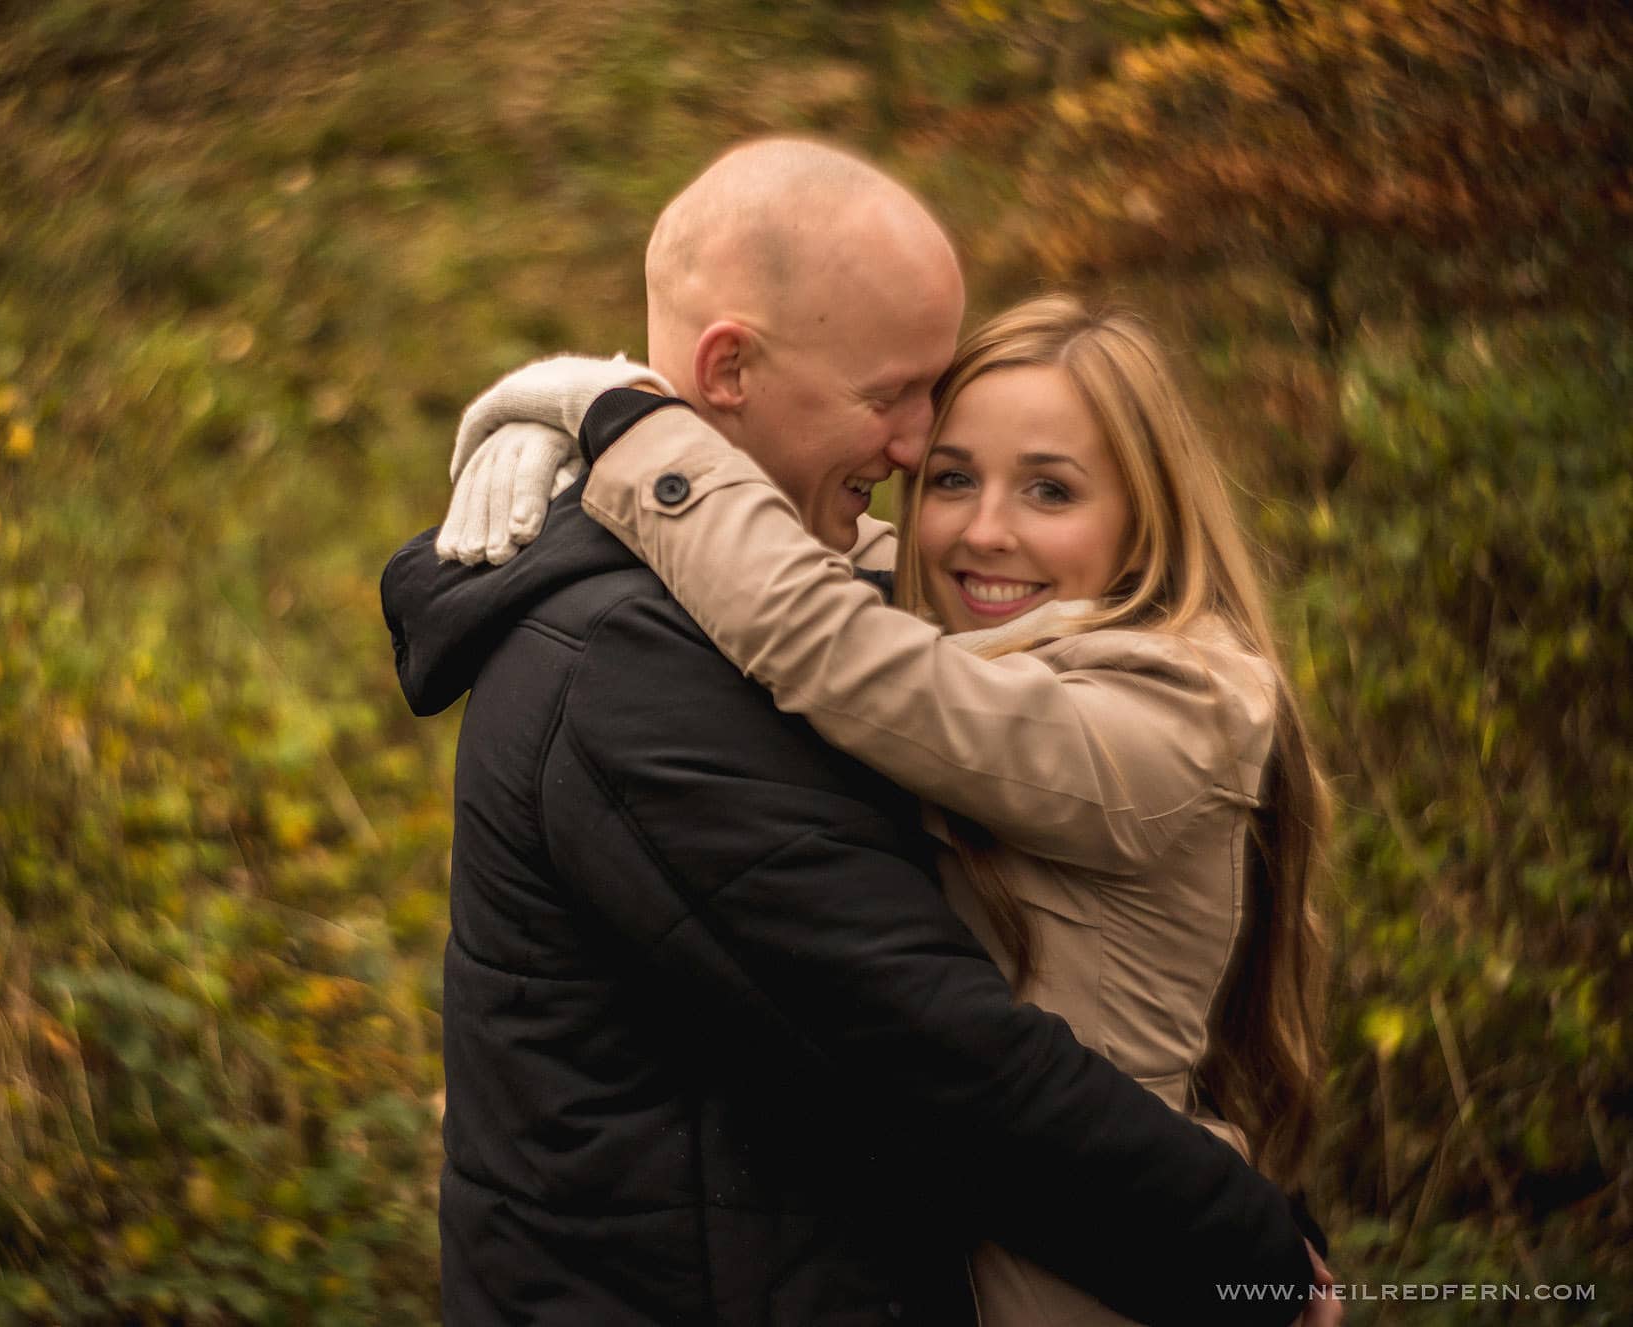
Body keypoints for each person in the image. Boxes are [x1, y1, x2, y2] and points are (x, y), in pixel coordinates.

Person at [382, 137, 1334, 1325]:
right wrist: (1237, 1246)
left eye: (1047, 487)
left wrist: (589, 409)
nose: (911, 445)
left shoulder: (1125, 690)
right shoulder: (633, 660)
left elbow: (839, 615)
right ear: (726, 370)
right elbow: (928, 1048)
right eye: (896, 403)